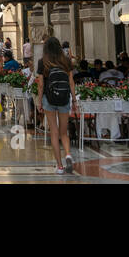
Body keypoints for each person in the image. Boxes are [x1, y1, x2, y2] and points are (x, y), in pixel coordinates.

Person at [36, 36, 75, 175]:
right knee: (64, 132)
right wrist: (74, 100)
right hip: (64, 99)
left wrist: (39, 102)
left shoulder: (43, 62)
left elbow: (41, 85)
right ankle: (68, 154)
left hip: (49, 99)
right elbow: (71, 83)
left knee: (54, 132)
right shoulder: (66, 61)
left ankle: (59, 166)